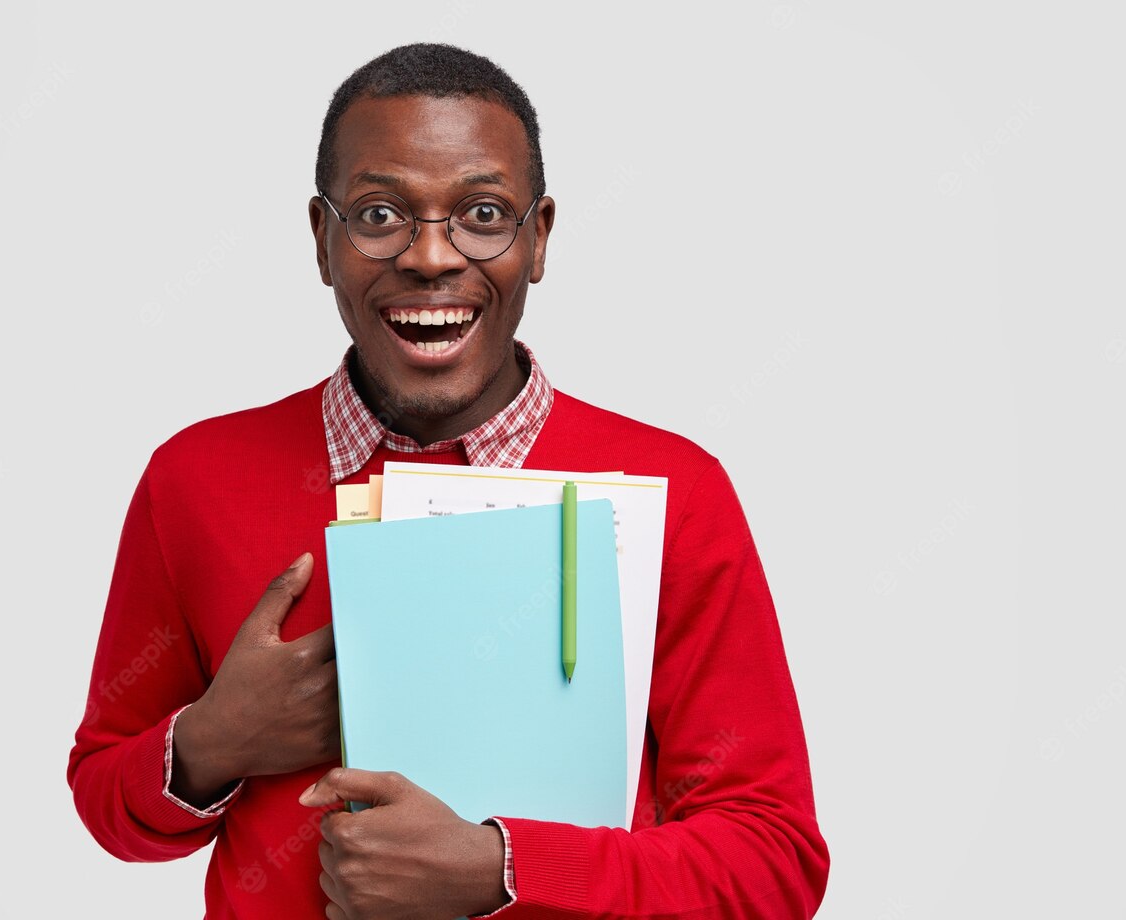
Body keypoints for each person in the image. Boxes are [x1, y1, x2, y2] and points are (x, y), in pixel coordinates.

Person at [67, 42, 830, 919]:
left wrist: (499, 869)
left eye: (482, 213)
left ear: (537, 240)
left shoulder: (676, 491)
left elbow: (772, 864)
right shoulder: (192, 479)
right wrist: (210, 741)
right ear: (322, 241)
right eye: (381, 214)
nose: (432, 256)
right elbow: (103, 799)